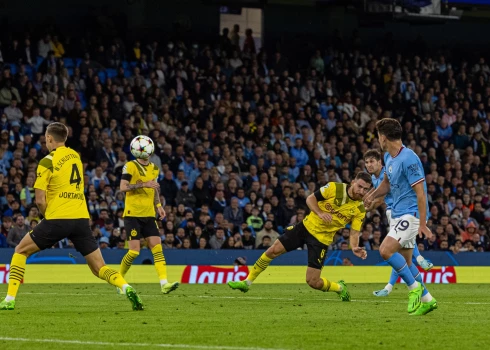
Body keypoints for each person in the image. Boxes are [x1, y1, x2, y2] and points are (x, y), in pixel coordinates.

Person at [0, 123, 143, 311]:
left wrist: (47, 218)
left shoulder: (46, 161)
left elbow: (40, 199)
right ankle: (125, 286)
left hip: (58, 217)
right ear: (65, 138)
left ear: (49, 138)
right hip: (81, 218)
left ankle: (9, 299)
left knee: (20, 251)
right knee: (99, 267)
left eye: (46, 138)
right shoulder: (75, 156)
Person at [228, 172, 372, 301]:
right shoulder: (334, 188)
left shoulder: (359, 209)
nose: (362, 191)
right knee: (272, 250)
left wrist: (354, 247)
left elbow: (354, 231)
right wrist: (320, 213)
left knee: (313, 282)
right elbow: (310, 199)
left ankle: (340, 288)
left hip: (321, 240)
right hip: (305, 227)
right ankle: (247, 282)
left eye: (366, 189)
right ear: (353, 182)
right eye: (360, 186)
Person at [364, 118, 437, 316]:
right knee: (407, 262)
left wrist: (422, 223)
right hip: (397, 214)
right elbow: (386, 184)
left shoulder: (409, 158)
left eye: (378, 136)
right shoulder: (389, 157)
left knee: (385, 250)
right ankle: (428, 299)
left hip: (410, 214)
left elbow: (421, 193)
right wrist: (371, 196)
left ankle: (414, 289)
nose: (378, 140)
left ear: (383, 137)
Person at [118, 135, 179, 295]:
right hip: (133, 215)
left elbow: (154, 189)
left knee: (157, 247)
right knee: (134, 251)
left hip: (149, 215)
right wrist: (143, 184)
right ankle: (119, 281)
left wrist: (158, 205)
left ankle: (164, 284)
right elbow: (123, 187)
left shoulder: (154, 168)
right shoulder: (130, 166)